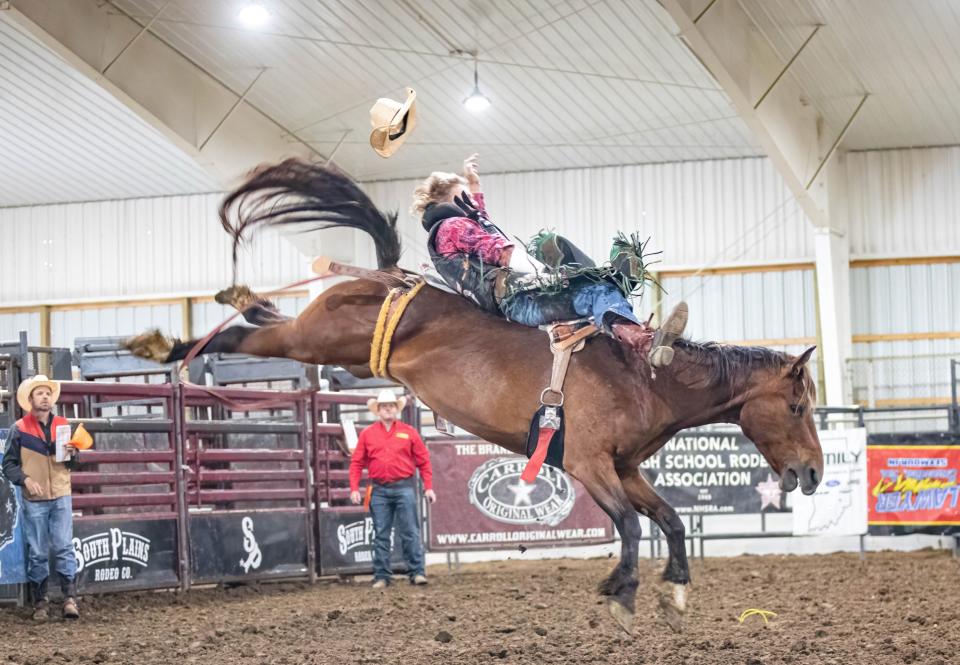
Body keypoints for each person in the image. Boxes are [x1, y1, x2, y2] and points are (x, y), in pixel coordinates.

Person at [412, 154, 688, 368]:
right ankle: (642, 341)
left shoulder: (448, 229)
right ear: (450, 200)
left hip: (510, 297)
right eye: (466, 196)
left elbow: (483, 224)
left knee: (573, 265)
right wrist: (546, 276)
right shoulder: (455, 226)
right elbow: (501, 251)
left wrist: (475, 186)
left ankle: (613, 298)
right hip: (519, 299)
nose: (471, 201)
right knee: (596, 288)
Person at [2, 375, 80, 620]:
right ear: (31, 399)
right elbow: (9, 465)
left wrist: (73, 454)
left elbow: (73, 463)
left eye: (48, 393)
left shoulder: (63, 426)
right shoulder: (20, 429)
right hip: (35, 497)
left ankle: (68, 599)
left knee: (64, 547)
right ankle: (42, 602)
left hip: (60, 494)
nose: (45, 397)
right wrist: (25, 480)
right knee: (38, 551)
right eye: (40, 393)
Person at [349, 389, 436, 588]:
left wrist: (428, 487)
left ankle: (417, 572)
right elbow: (356, 463)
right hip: (379, 489)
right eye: (384, 406)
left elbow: (424, 461)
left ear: (396, 409)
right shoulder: (368, 434)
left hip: (404, 486)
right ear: (378, 411)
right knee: (381, 533)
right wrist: (354, 488)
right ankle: (381, 576)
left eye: (391, 406)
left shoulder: (409, 432)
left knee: (410, 531)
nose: (388, 409)